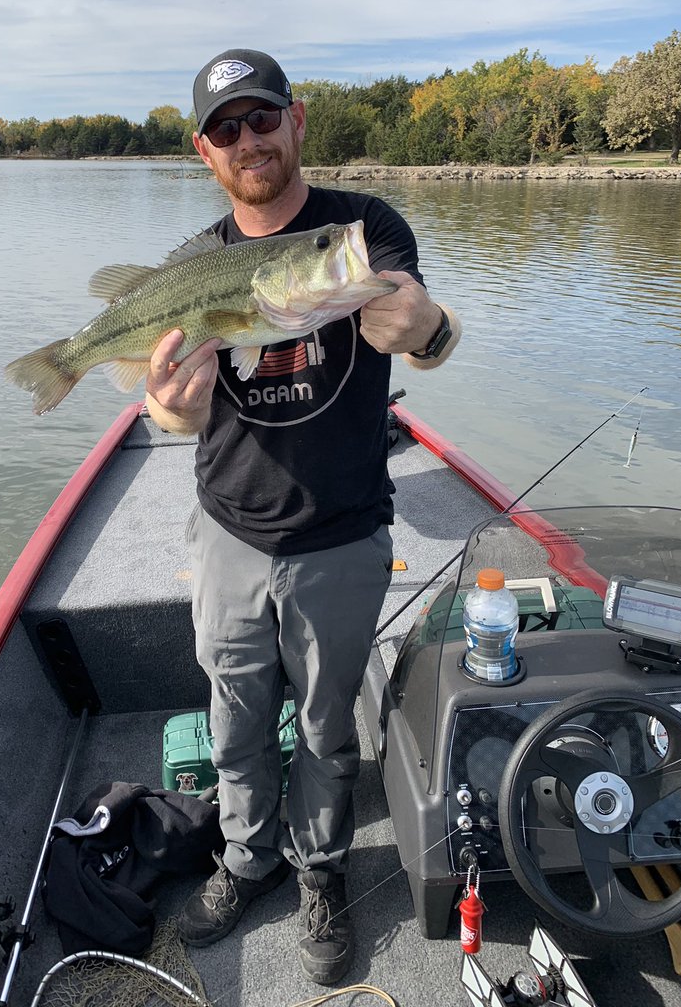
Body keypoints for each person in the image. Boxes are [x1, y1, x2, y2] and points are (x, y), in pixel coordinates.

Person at [145, 49, 461, 986]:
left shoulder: (364, 230)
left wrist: (432, 329)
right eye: (228, 129)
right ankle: (248, 857)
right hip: (231, 531)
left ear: (298, 121)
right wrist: (172, 407)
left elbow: (423, 326)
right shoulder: (200, 263)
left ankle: (319, 865)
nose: (251, 141)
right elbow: (167, 413)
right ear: (206, 152)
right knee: (236, 717)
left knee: (327, 723)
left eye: (264, 118)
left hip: (343, 530)